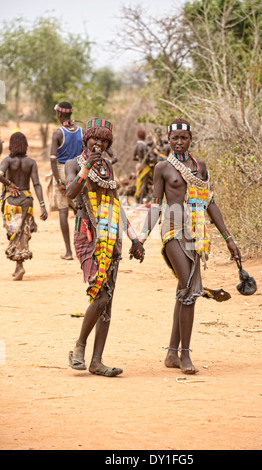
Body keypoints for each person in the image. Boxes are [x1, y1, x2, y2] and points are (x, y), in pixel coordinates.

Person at [138, 119, 241, 374]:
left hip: (196, 234)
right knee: (189, 288)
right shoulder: (162, 167)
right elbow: (155, 204)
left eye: (184, 138)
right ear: (168, 140)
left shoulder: (199, 167)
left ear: (190, 138)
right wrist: (141, 238)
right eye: (175, 138)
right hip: (171, 230)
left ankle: (173, 353)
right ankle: (185, 355)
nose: (179, 142)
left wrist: (228, 238)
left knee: (184, 293)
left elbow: (211, 203)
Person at [65, 118, 144, 377]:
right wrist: (87, 165)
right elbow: (70, 191)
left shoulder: (108, 167)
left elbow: (116, 204)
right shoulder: (74, 163)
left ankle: (97, 361)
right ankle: (79, 346)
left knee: (107, 300)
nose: (98, 143)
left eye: (103, 140)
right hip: (87, 235)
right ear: (86, 140)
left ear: (108, 144)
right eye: (94, 139)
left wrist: (134, 239)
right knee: (99, 294)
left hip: (111, 236)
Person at [0, 132, 48, 280]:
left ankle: (19, 266)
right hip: (26, 200)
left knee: (14, 232)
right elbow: (37, 184)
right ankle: (18, 266)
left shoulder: (8, 161)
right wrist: (42, 205)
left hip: (11, 201)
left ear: (12, 145)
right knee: (23, 233)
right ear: (25, 145)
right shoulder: (31, 162)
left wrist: (9, 184)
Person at [50, 101, 83, 260]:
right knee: (80, 210)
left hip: (62, 171)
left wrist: (58, 182)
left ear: (60, 115)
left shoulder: (58, 133)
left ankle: (69, 252)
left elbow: (52, 160)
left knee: (63, 211)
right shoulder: (81, 131)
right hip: (77, 172)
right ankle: (82, 247)